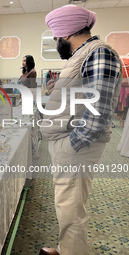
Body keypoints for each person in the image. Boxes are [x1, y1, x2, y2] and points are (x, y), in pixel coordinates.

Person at [39, 5, 122, 255]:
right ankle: (66, 248)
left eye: (55, 37)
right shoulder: (85, 54)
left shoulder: (99, 53)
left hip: (75, 146)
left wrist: (72, 144)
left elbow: (100, 109)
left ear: (66, 34)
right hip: (70, 143)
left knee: (71, 209)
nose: (56, 42)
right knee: (68, 205)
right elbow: (83, 96)